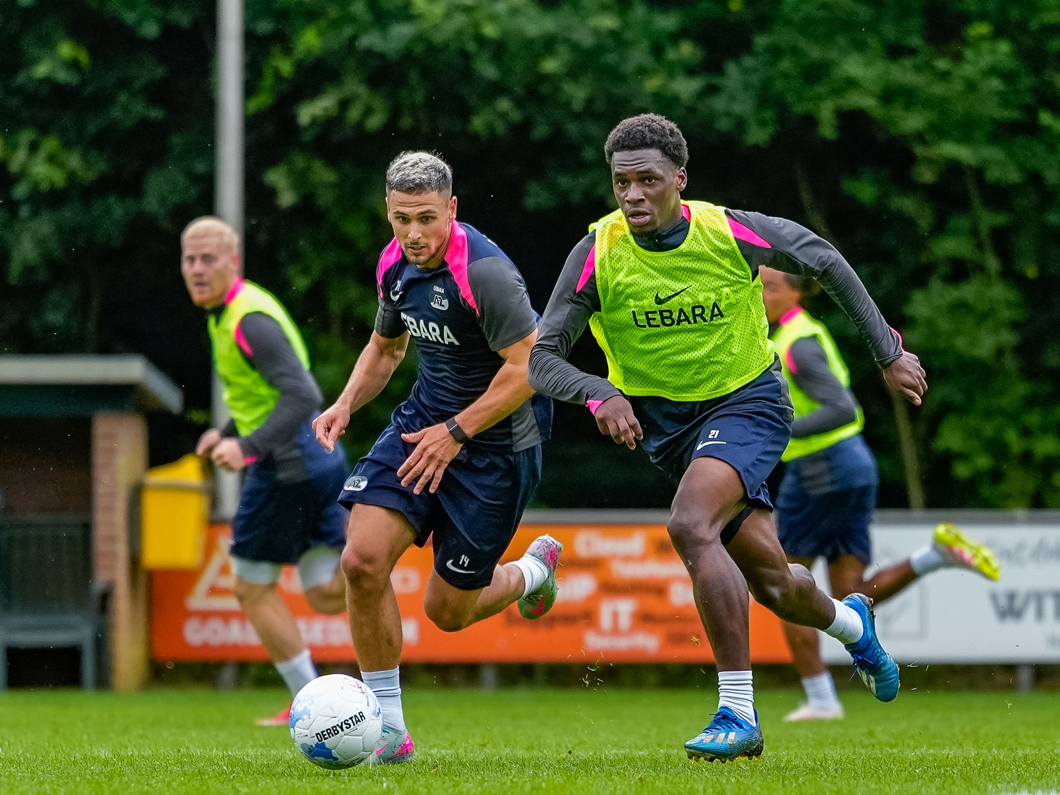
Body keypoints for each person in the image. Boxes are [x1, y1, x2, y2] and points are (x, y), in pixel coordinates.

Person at [528, 113, 928, 763]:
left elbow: (822, 258)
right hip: (669, 431)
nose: (632, 195)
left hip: (748, 402)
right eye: (621, 182)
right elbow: (542, 358)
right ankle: (852, 622)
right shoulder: (597, 253)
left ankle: (737, 711)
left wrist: (888, 352)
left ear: (679, 180)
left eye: (648, 180)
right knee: (773, 583)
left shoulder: (727, 230)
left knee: (690, 525)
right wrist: (598, 392)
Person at [313, 152, 559, 766]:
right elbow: (385, 349)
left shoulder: (486, 274)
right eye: (402, 219)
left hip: (498, 444)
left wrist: (456, 433)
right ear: (388, 212)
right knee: (361, 562)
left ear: (452, 209)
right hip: (422, 425)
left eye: (426, 218)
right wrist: (345, 403)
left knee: (447, 613)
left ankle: (532, 572)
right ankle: (388, 731)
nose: (414, 234)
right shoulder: (394, 265)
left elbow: (529, 368)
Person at [760, 266, 1001, 722]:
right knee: (851, 594)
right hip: (853, 466)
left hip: (820, 471)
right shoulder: (798, 335)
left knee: (783, 585)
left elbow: (841, 408)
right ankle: (935, 556)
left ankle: (821, 699)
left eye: (771, 287)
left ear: (796, 294)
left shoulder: (797, 342)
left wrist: (775, 430)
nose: (762, 295)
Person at [181, 216, 350, 726]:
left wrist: (248, 446)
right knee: (324, 593)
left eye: (208, 258)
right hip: (318, 460)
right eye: (189, 259)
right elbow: (265, 394)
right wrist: (227, 432)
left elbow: (303, 394)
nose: (197, 269)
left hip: (287, 468)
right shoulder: (229, 313)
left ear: (234, 262)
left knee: (251, 587)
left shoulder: (246, 319)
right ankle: (377, 560)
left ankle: (309, 705)